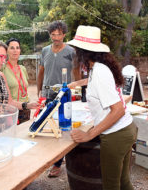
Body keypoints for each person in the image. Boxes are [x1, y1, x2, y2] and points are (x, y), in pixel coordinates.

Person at [67, 25, 137, 190]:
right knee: (123, 183)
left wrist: (89, 135)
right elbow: (95, 83)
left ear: (82, 51)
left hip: (115, 135)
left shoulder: (99, 71)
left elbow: (118, 110)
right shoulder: (97, 67)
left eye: (77, 49)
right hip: (125, 130)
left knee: (111, 186)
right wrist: (77, 83)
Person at [37, 21, 80, 177]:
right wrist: (39, 91)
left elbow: (77, 73)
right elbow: (41, 72)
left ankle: (57, 164)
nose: (56, 37)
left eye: (59, 34)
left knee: (63, 127)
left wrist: (78, 93)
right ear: (50, 35)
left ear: (64, 35)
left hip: (64, 95)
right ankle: (54, 158)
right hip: (48, 95)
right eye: (53, 34)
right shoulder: (45, 51)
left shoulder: (71, 52)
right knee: (49, 127)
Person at [2, 38, 30, 124]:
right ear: (6, 51)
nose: (15, 50)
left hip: (25, 109)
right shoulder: (2, 68)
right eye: (12, 48)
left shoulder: (23, 69)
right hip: (10, 110)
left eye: (17, 48)